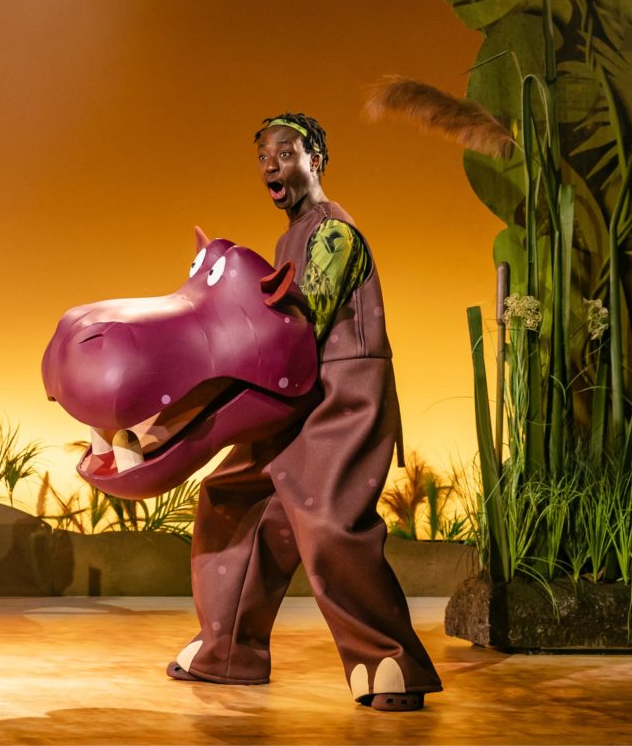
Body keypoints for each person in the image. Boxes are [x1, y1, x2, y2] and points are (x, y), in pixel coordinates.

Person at [168, 113, 442, 711]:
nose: (271, 164)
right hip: (293, 393)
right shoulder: (289, 238)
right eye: (263, 156)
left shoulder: (334, 233)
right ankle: (228, 649)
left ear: (314, 160)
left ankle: (389, 660)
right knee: (233, 498)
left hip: (342, 394)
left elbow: (303, 322)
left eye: (286, 152)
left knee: (326, 521)